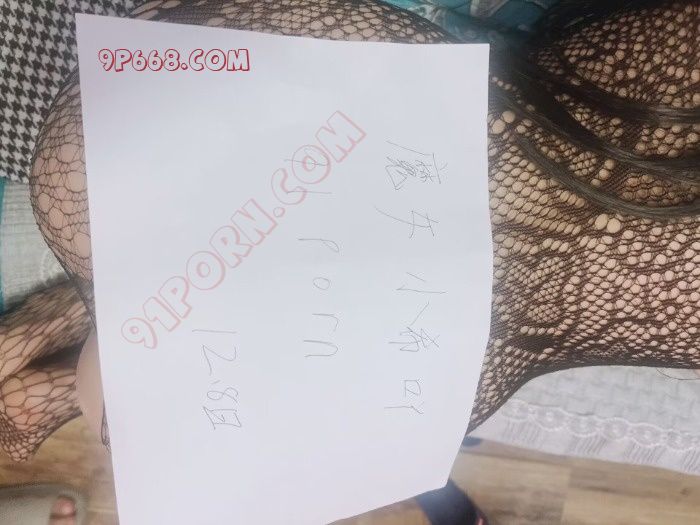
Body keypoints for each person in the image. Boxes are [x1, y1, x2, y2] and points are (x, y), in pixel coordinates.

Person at [0, 0, 697, 494]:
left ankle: (121, 305)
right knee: (143, 406)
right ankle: (115, 311)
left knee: (147, 393)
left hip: (434, 221)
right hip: (444, 350)